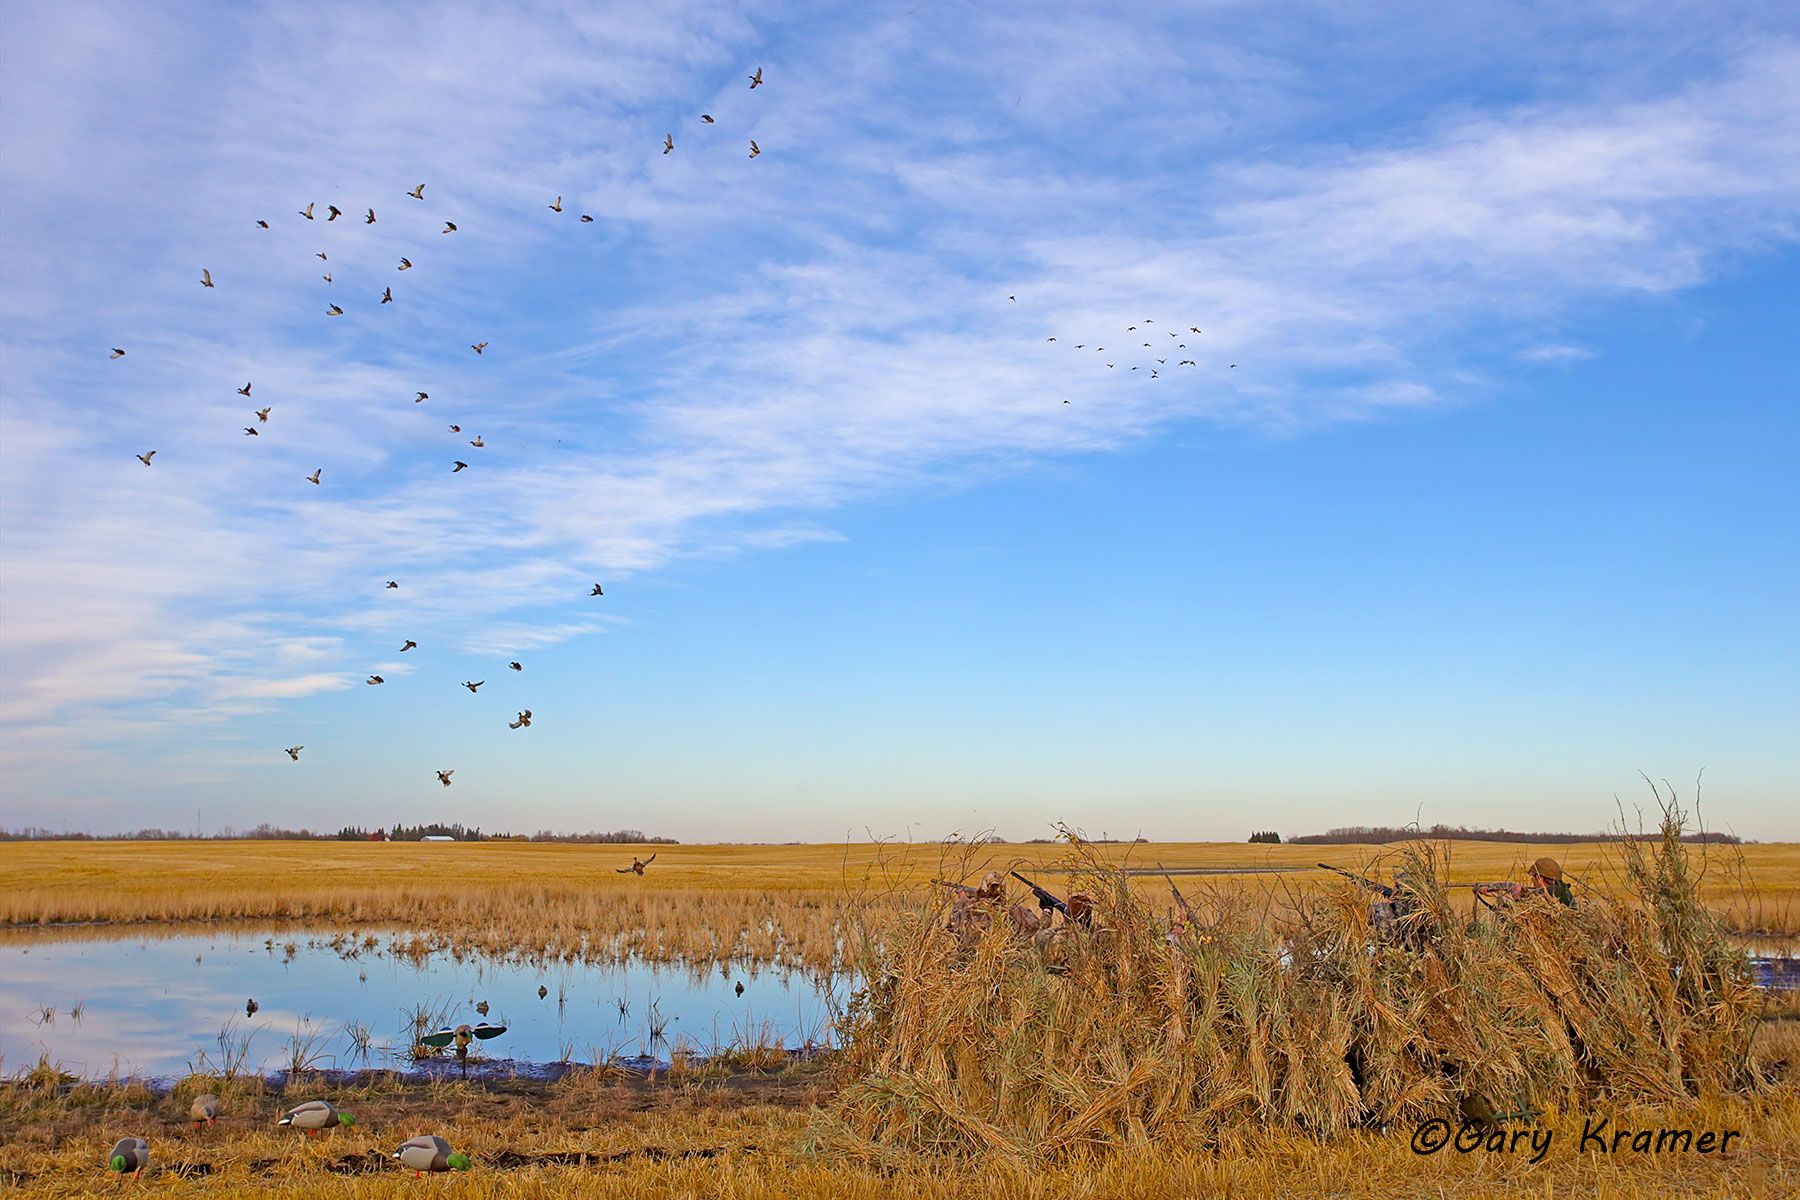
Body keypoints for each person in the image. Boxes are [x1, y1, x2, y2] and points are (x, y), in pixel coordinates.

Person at [1474, 857, 1575, 908]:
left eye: (1533, 877)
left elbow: (1523, 912)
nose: (1532, 880)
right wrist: (1496, 893)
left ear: (1540, 878)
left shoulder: (1554, 891)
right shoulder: (1561, 889)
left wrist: (1517, 894)